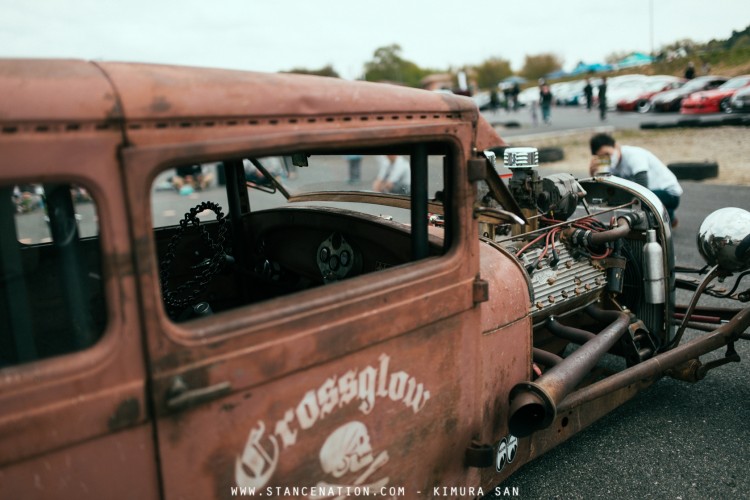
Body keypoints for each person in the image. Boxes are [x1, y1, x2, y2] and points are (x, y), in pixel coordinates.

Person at [588, 133, 683, 227]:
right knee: (617, 200)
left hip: (669, 193)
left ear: (616, 146)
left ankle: (660, 218)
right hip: (653, 193)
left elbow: (642, 188)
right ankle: (668, 215)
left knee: (634, 202)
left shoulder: (633, 155)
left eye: (608, 154)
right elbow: (609, 189)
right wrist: (594, 174)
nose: (608, 158)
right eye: (603, 157)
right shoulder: (612, 165)